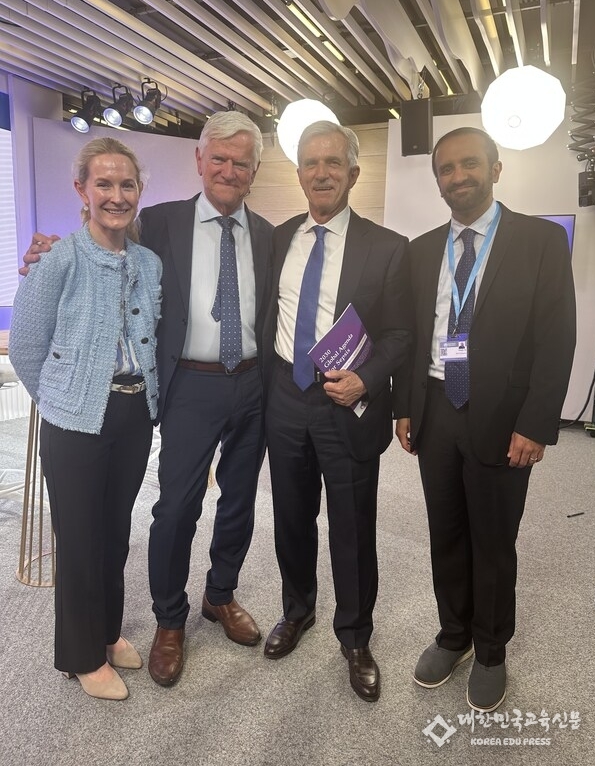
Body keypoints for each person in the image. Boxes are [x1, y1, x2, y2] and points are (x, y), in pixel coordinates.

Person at [21, 112, 274, 688]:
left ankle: (219, 595)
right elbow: (83, 264)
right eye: (219, 159)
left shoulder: (263, 234)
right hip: (183, 386)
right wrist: (60, 397)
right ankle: (167, 621)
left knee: (231, 503)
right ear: (199, 161)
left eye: (241, 162)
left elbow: (117, 263)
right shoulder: (159, 224)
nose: (229, 170)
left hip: (235, 386)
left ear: (254, 170)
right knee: (172, 507)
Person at [393, 127, 576, 712]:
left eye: (470, 164)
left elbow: (557, 338)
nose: (457, 176)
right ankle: (454, 636)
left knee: (494, 539)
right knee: (445, 531)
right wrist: (404, 406)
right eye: (446, 169)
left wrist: (538, 423)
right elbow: (411, 335)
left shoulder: (541, 240)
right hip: (436, 409)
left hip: (502, 417)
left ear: (496, 169)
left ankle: (491, 648)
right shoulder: (422, 249)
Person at [261, 120, 412, 702]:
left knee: (351, 526)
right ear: (298, 173)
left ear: (353, 172)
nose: (320, 173)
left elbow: (400, 334)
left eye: (332, 163)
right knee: (292, 518)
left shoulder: (386, 247)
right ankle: (296, 610)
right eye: (309, 163)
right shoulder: (279, 238)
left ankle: (354, 636)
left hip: (347, 404)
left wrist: (367, 379)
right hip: (284, 397)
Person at [9, 137, 162, 701]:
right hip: (74, 421)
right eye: (104, 183)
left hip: (132, 413)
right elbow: (25, 345)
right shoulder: (60, 259)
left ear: (139, 192)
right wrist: (58, 400)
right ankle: (78, 655)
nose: (116, 195)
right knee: (77, 538)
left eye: (126, 185)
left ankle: (106, 631)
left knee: (116, 533)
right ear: (82, 190)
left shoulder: (148, 263)